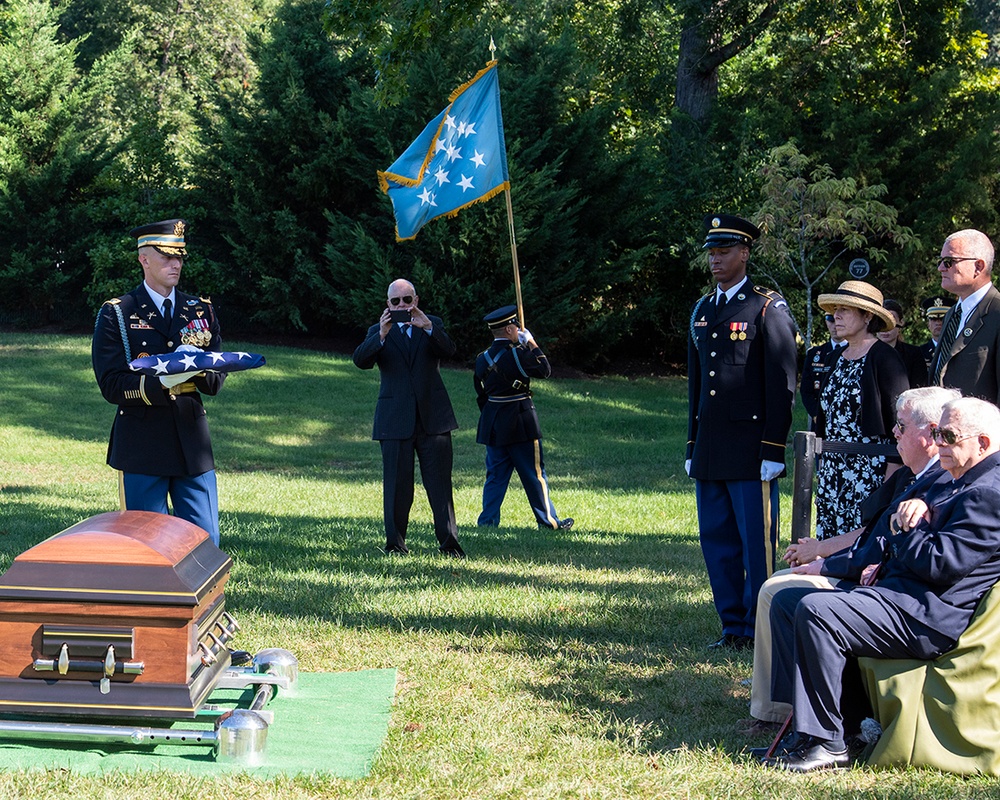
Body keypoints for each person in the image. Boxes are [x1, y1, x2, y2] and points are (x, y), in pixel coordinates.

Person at [764, 396, 1000, 773]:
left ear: (983, 443)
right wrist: (890, 550)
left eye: (948, 436)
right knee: (789, 602)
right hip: (902, 595)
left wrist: (908, 527)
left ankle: (827, 744)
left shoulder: (989, 492)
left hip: (927, 618)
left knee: (818, 611)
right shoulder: (960, 476)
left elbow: (941, 564)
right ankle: (819, 727)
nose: (939, 443)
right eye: (937, 433)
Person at [740, 387, 956, 735]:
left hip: (900, 599)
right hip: (875, 577)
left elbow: (915, 552)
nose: (894, 434)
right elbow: (874, 534)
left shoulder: (942, 482)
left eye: (901, 426)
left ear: (929, 433)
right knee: (780, 586)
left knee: (778, 592)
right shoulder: (912, 476)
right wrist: (825, 553)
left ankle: (788, 715)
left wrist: (826, 563)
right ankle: (780, 710)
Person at [686, 213, 798, 650]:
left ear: (744, 253)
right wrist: (692, 444)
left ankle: (759, 628)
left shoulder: (768, 307)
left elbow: (783, 381)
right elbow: (697, 386)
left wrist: (773, 446)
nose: (716, 260)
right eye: (712, 252)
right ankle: (732, 626)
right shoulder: (702, 309)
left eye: (725, 251)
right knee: (718, 543)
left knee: (757, 546)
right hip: (712, 449)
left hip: (752, 450)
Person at [91, 219, 225, 544]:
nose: (175, 264)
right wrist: (163, 380)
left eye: (179, 256)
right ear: (143, 259)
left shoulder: (200, 310)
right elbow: (111, 384)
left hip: (192, 443)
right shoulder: (118, 313)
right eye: (166, 256)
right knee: (147, 545)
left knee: (206, 541)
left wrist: (198, 366)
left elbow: (215, 380)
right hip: (142, 444)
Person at [353, 279, 465, 558]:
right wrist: (381, 334)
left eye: (407, 300)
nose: (402, 306)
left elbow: (450, 350)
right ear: (387, 304)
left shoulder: (432, 323)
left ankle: (449, 544)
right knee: (396, 485)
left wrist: (427, 327)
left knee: (440, 484)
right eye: (395, 302)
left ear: (416, 299)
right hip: (394, 421)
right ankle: (395, 544)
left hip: (433, 418)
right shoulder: (378, 330)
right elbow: (360, 361)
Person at [813, 281, 909, 540]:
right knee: (829, 542)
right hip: (833, 469)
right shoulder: (835, 357)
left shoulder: (884, 359)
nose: (837, 316)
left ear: (867, 316)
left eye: (846, 309)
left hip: (870, 470)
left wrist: (890, 482)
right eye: (836, 310)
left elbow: (900, 422)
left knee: (860, 543)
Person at [473, 305, 574, 531]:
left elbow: (480, 393)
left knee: (495, 476)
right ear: (510, 329)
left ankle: (487, 523)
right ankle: (549, 522)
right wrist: (531, 342)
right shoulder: (519, 354)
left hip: (493, 423)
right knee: (533, 474)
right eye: (516, 326)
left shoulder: (482, 358)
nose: (519, 329)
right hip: (520, 421)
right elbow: (544, 369)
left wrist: (492, 414)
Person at [927, 229, 1000, 402]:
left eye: (949, 261)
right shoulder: (953, 313)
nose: (940, 268)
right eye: (941, 261)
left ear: (978, 267)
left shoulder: (996, 312)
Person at [800, 313, 846, 431]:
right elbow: (806, 390)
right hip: (821, 423)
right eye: (830, 320)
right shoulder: (815, 354)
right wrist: (817, 415)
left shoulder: (857, 353)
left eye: (838, 319)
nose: (835, 325)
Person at [878, 299, 928, 388]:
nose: (885, 327)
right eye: (881, 320)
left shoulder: (913, 354)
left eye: (891, 321)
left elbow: (919, 388)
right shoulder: (865, 353)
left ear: (901, 322)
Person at [919, 296, 954, 371]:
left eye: (942, 319)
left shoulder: (957, 348)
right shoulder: (919, 352)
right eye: (933, 319)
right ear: (928, 324)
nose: (938, 323)